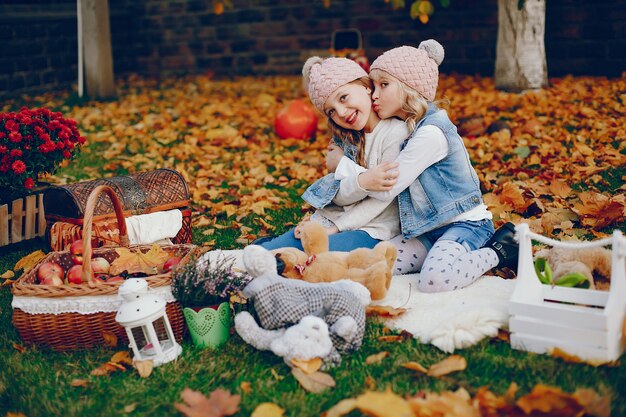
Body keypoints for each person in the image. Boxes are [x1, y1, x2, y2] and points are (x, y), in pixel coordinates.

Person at [331, 40, 518, 292]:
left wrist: (342, 165)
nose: (374, 94)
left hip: (466, 225)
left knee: (435, 281)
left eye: (383, 85)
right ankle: (439, 255)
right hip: (427, 230)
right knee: (371, 265)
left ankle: (500, 249)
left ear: (410, 87)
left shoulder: (431, 133)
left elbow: (387, 187)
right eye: (373, 86)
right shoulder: (408, 129)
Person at [257, 56, 409, 252]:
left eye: (343, 97)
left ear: (366, 86)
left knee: (313, 255)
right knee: (272, 251)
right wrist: (361, 182)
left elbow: (382, 198)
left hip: (372, 229)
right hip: (333, 219)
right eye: (331, 112)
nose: (342, 113)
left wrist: (345, 168)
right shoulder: (346, 140)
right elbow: (339, 196)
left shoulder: (395, 133)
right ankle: (264, 247)